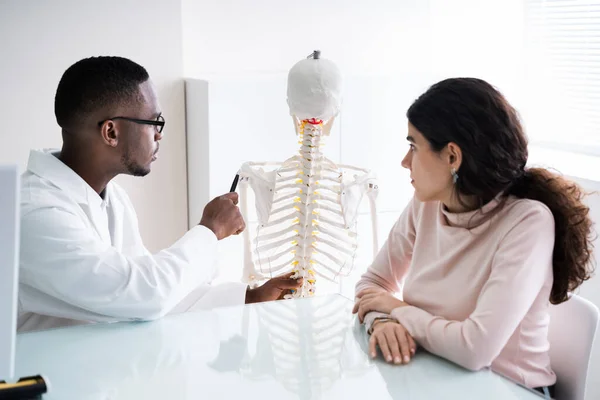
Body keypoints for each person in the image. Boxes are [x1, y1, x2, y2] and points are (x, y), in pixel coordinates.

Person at [18, 56, 302, 332]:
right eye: (154, 122)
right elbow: (143, 295)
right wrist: (209, 230)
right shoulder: (35, 214)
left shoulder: (111, 198)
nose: (159, 135)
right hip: (40, 376)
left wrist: (249, 297)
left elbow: (154, 296)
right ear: (111, 132)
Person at [352, 78, 594, 395]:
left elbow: (474, 349)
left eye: (413, 146)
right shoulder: (426, 205)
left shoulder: (528, 222)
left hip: (508, 389)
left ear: (452, 157)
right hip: (436, 376)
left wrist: (397, 309)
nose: (404, 161)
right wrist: (382, 320)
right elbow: (372, 285)